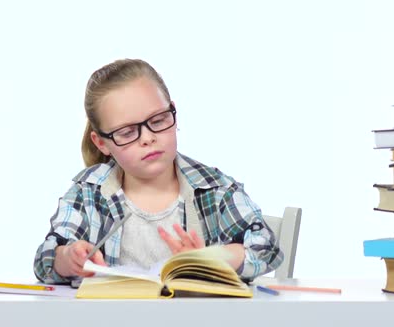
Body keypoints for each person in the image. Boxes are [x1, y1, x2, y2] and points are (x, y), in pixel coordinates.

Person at [34, 58, 282, 284]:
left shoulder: (215, 189)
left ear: (173, 111)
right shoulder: (88, 191)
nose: (148, 138)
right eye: (127, 132)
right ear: (102, 143)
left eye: (158, 120)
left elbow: (267, 248)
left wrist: (216, 258)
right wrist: (68, 257)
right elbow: (45, 260)